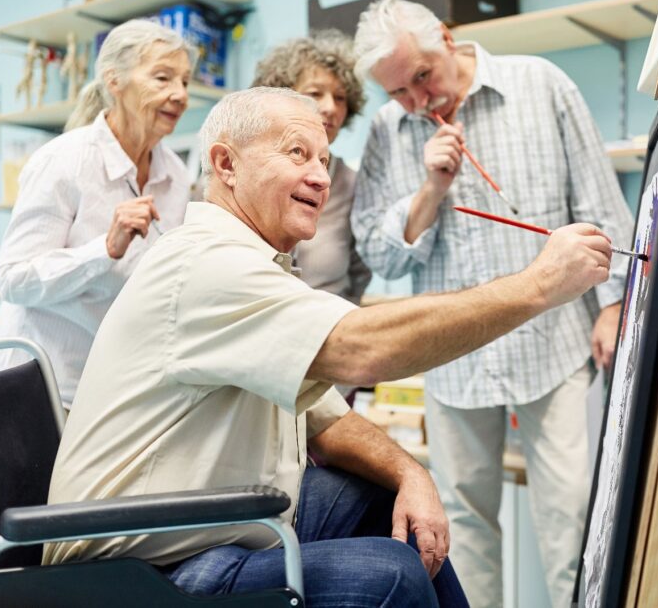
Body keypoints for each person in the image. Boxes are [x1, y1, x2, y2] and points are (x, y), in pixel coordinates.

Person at [43, 87, 616, 607]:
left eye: (323, 158)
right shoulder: (207, 266)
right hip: (133, 571)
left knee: (382, 502)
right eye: (296, 153)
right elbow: (360, 349)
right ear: (225, 164)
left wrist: (412, 475)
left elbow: (327, 419)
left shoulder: (252, 266)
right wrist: (538, 286)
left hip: (210, 521)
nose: (320, 176)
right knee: (389, 573)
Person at [351, 0, 635, 607]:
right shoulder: (387, 130)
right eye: (398, 92)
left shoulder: (541, 84)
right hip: (454, 358)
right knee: (459, 526)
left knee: (572, 517)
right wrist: (429, 190)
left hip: (554, 342)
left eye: (422, 77)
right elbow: (380, 254)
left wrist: (613, 305)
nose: (417, 102)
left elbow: (598, 199)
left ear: (448, 39)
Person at [0, 19, 194, 406]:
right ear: (114, 81)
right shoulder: (64, 160)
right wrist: (105, 249)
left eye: (185, 81)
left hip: (110, 387)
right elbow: (13, 279)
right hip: (35, 383)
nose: (180, 94)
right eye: (163, 78)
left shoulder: (177, 177)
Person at [251, 30, 371, 304]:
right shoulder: (246, 172)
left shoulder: (351, 184)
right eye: (315, 93)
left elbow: (359, 271)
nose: (330, 107)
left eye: (340, 98)